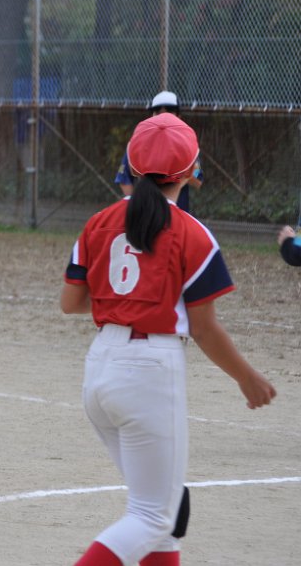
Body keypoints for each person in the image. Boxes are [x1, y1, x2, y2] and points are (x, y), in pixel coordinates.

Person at [61, 113, 276, 566]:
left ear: (131, 166)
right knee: (153, 516)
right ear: (192, 171)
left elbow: (71, 302)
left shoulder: (98, 222)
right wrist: (247, 377)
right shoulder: (192, 233)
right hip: (148, 372)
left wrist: (125, 300)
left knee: (166, 514)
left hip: (100, 367)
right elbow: (204, 328)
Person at [115, 91, 204, 213]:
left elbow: (198, 179)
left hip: (178, 214)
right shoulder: (138, 144)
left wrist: (187, 172)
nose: (163, 116)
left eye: (169, 111)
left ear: (179, 116)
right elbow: (124, 178)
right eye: (157, 111)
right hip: (146, 215)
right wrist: (136, 208)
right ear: (151, 115)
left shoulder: (187, 147)